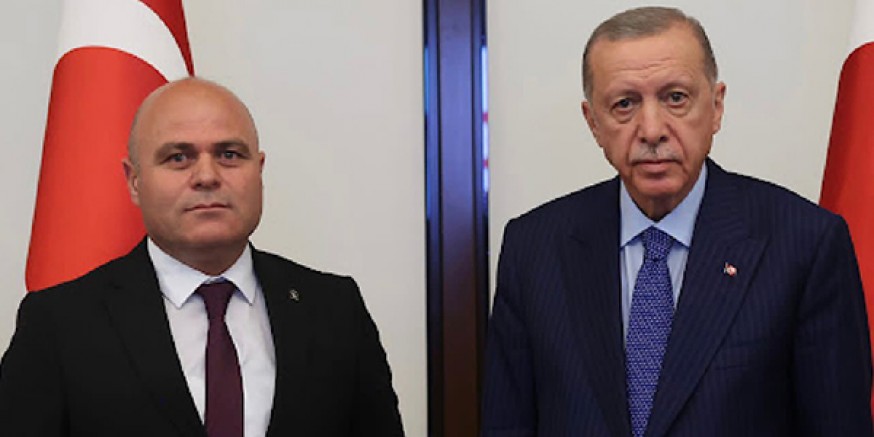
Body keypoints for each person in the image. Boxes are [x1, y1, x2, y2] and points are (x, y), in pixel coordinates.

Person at [482, 6, 872, 437]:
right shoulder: (533, 249)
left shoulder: (805, 244)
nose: (652, 130)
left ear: (716, 106)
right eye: (625, 104)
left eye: (675, 98)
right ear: (593, 123)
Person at [0, 78, 404, 436]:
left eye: (229, 154)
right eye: (178, 157)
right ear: (135, 182)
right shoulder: (59, 324)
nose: (208, 176)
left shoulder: (336, 310)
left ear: (259, 170)